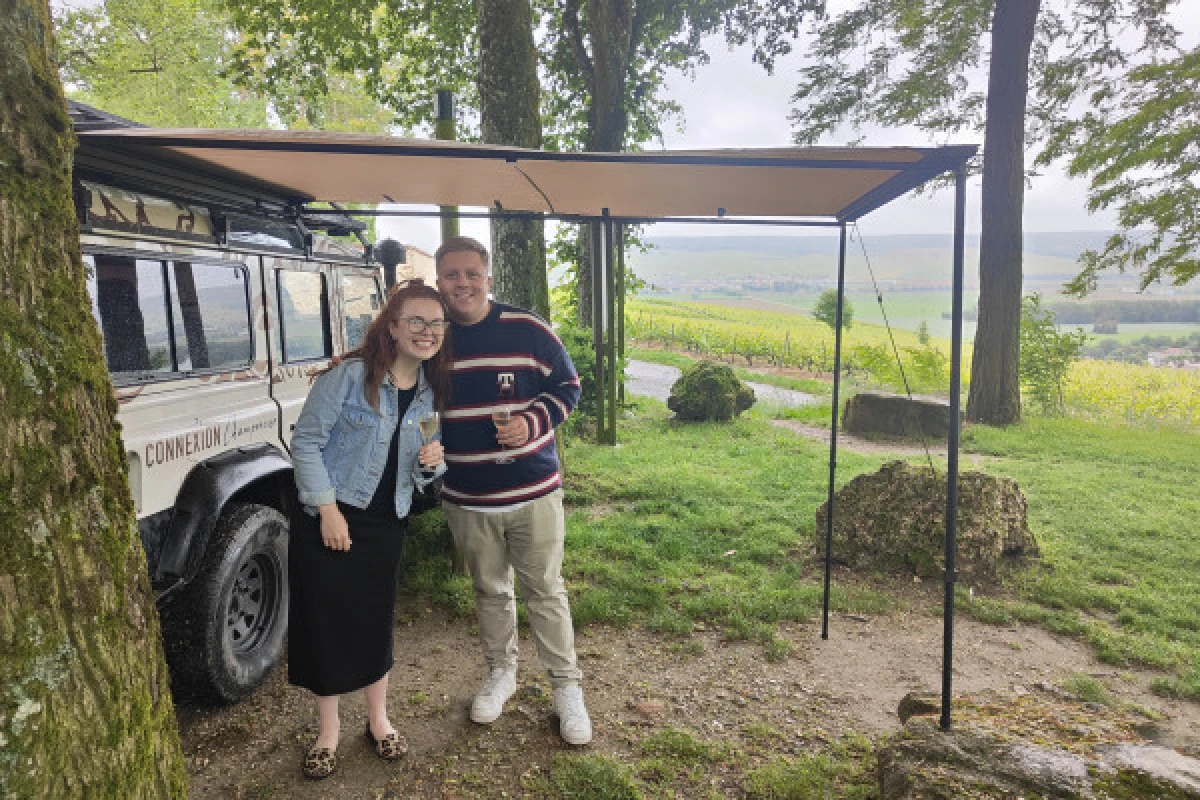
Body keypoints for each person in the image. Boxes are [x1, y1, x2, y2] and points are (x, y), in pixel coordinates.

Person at [288, 280, 452, 779]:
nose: (428, 331)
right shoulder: (349, 378)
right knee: (327, 625)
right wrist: (327, 509)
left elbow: (422, 475)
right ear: (393, 327)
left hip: (386, 525)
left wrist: (432, 464)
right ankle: (328, 731)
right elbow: (307, 444)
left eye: (437, 323)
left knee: (375, 621)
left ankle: (379, 721)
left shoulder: (429, 394)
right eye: (417, 321)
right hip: (332, 521)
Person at [434, 236, 592, 746]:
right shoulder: (433, 335)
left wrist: (533, 422)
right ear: (440, 281)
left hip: (534, 491)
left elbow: (569, 387)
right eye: (452, 275)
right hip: (467, 496)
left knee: (546, 591)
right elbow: (386, 359)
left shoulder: (527, 329)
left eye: (471, 274)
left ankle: (567, 689)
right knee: (490, 591)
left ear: (488, 278)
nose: (462, 283)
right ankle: (502, 674)